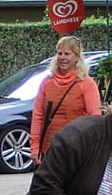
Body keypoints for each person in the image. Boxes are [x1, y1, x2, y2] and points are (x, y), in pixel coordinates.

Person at [29, 36, 102, 165]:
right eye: (59, 53)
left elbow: (95, 119)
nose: (62, 57)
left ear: (77, 57)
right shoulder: (46, 82)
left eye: (67, 54)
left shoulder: (86, 83)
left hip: (75, 150)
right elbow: (38, 115)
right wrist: (34, 147)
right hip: (49, 149)